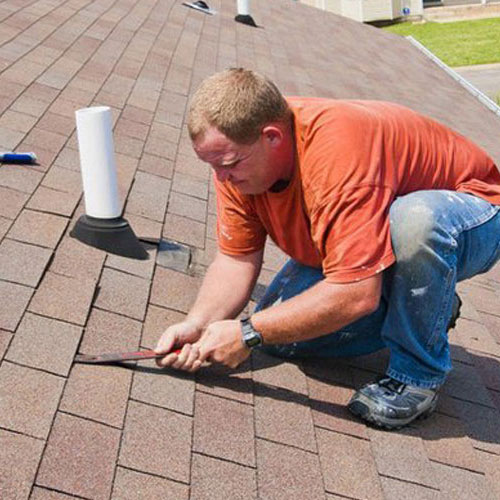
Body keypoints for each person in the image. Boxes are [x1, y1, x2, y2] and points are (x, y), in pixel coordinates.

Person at [155, 68, 500, 429]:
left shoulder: (336, 154)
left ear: (272, 137)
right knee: (278, 335)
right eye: (212, 165)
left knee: (415, 220)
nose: (221, 178)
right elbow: (236, 259)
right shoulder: (236, 161)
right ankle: (429, 306)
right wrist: (199, 324)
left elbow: (357, 294)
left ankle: (417, 377)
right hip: (380, 230)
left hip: (475, 212)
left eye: (228, 164)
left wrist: (246, 333)